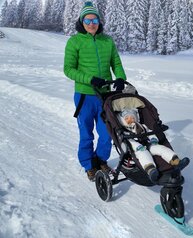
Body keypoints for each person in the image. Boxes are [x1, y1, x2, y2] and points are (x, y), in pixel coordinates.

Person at [64, 1, 127, 181]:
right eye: (87, 20)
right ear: (82, 22)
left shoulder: (107, 40)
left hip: (105, 96)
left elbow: (116, 62)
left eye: (95, 20)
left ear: (99, 22)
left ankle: (100, 160)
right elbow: (68, 69)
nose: (91, 23)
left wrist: (121, 78)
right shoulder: (75, 41)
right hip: (84, 95)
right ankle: (88, 164)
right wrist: (90, 79)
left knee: (108, 132)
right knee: (86, 133)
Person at [117, 109, 190, 183]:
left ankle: (176, 161)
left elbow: (149, 132)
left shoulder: (142, 126)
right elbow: (130, 141)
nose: (130, 120)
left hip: (148, 144)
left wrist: (153, 139)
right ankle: (151, 170)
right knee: (144, 155)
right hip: (136, 150)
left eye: (132, 118)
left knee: (161, 148)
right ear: (122, 120)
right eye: (127, 118)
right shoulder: (124, 131)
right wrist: (137, 146)